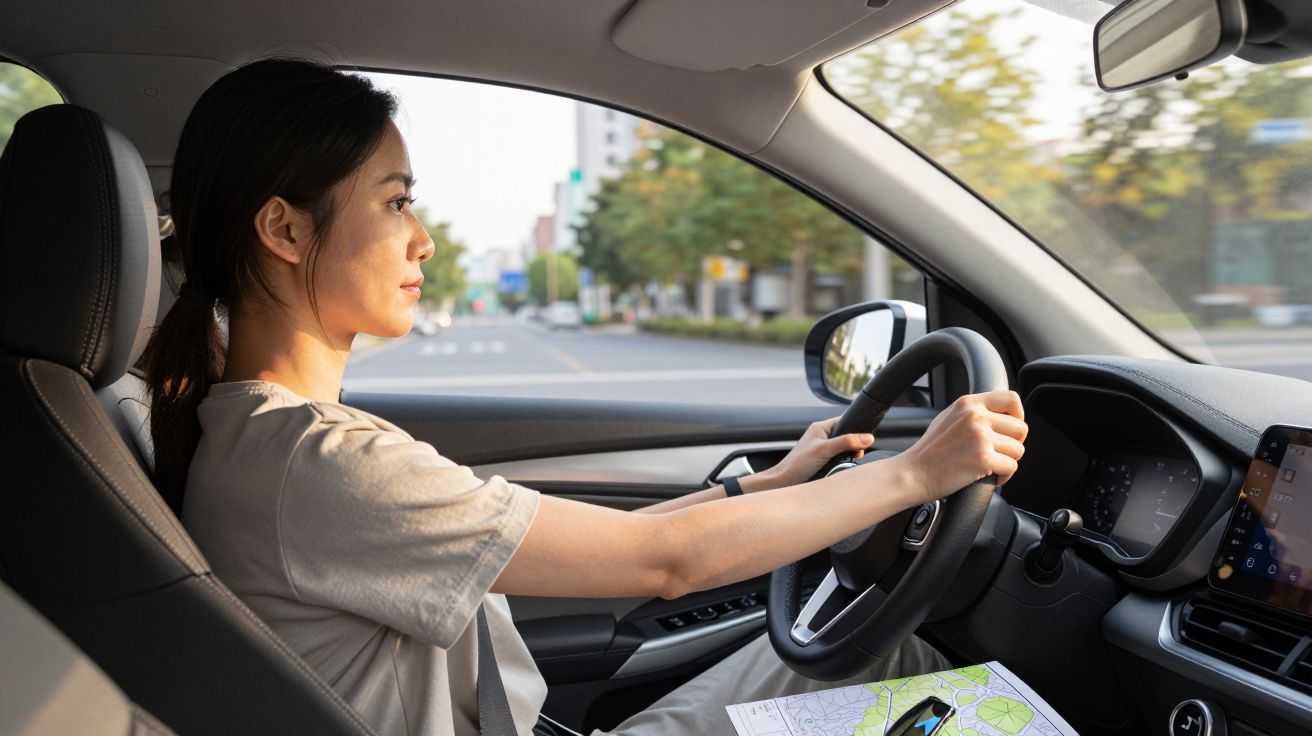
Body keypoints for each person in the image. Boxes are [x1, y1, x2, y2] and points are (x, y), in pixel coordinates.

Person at [140, 58, 1028, 736]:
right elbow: (661, 563)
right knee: (914, 673)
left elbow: (596, 548)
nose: (424, 241)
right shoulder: (318, 460)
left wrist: (772, 483)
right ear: (285, 229)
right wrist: (915, 474)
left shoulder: (269, 440)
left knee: (885, 657)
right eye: (397, 202)